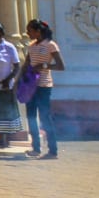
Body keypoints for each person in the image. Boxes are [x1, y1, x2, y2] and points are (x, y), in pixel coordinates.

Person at [24, 20, 66, 159]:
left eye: (30, 30)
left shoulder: (50, 45)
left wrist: (44, 66)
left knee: (45, 118)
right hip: (31, 86)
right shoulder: (31, 46)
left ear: (38, 31)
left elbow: (60, 66)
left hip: (44, 86)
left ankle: (53, 151)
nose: (27, 33)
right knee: (31, 117)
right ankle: (36, 148)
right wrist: (18, 81)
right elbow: (26, 64)